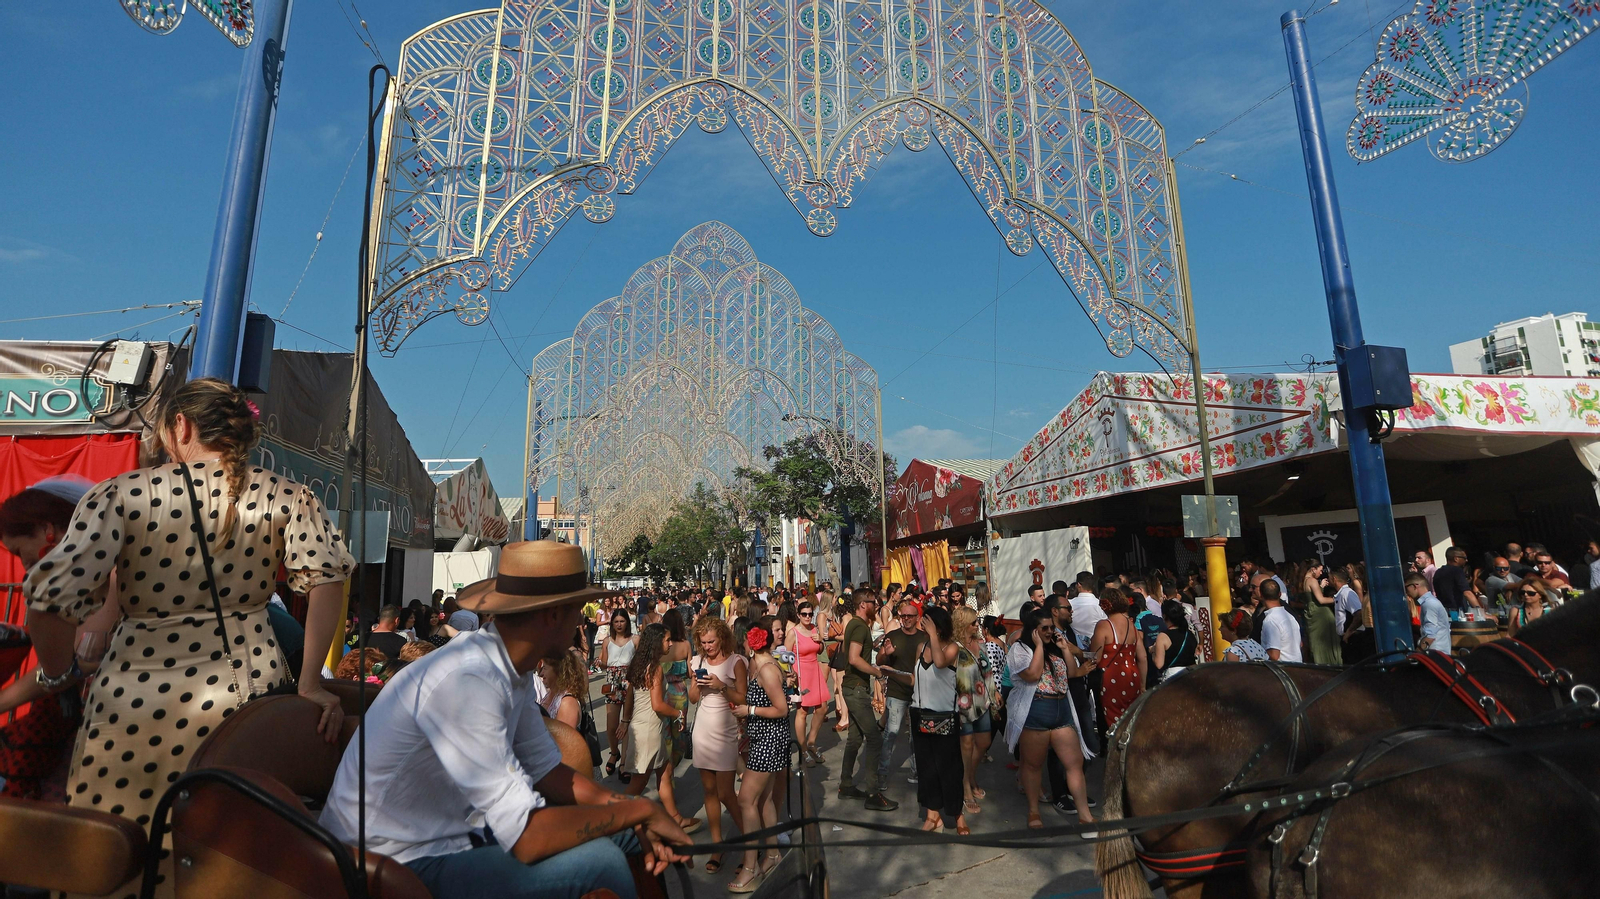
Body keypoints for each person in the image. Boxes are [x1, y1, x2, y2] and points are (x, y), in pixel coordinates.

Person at [22, 379, 353, 899]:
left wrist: (58, 669)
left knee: (113, 847)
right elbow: (328, 579)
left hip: (132, 701)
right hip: (244, 693)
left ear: (181, 426)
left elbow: (47, 595)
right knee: (227, 853)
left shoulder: (123, 495)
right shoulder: (286, 496)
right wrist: (310, 682)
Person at [320, 540, 689, 899]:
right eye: (578, 609)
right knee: (602, 861)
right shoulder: (469, 683)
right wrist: (639, 807)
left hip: (449, 839)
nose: (582, 621)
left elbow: (547, 772)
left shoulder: (509, 670)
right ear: (554, 613)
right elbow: (527, 839)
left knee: (627, 834)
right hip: (393, 860)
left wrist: (631, 813)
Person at [0, 476, 124, 802]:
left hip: (112, 734)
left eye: (20, 552)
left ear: (47, 530)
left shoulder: (113, 574)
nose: (26, 566)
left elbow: (81, 661)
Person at [1005, 609, 1095, 835]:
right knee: (1033, 765)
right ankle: (1034, 811)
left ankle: (1085, 817)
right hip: (1036, 710)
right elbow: (1032, 675)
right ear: (1033, 630)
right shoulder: (1020, 649)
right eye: (1043, 628)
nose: (1048, 632)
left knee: (1074, 764)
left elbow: (1071, 673)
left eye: (1051, 627)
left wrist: (1065, 649)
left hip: (1061, 709)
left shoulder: (1056, 647)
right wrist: (1039, 647)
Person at [728, 618, 790, 892]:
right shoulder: (764, 666)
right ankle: (773, 855)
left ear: (751, 644)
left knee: (746, 800)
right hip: (765, 738)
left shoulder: (765, 669)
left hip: (769, 740)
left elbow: (781, 709)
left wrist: (749, 712)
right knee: (763, 800)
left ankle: (751, 868)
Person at [619, 623, 694, 836]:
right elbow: (657, 704)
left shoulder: (639, 664)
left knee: (665, 772)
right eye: (666, 640)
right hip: (649, 729)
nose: (670, 644)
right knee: (639, 782)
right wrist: (678, 714)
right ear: (655, 643)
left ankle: (676, 818)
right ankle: (615, 818)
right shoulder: (655, 668)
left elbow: (631, 698)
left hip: (644, 726)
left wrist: (625, 722)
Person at [688, 616, 747, 875]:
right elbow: (691, 699)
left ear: (722, 637)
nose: (708, 646)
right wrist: (697, 684)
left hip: (725, 730)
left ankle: (753, 841)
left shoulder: (736, 662)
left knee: (726, 793)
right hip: (702, 729)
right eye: (703, 642)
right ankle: (717, 844)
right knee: (709, 792)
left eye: (711, 641)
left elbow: (742, 698)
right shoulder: (698, 661)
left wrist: (721, 686)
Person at [837, 590, 897, 811]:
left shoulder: (854, 624)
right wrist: (877, 673)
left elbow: (850, 653)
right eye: (873, 602)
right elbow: (852, 658)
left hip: (853, 687)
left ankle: (846, 785)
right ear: (863, 604)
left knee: (855, 738)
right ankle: (872, 793)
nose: (876, 605)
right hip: (857, 689)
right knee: (874, 739)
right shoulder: (859, 626)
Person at [874, 599, 926, 788]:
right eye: (903, 616)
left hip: (918, 692)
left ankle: (915, 771)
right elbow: (880, 660)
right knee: (892, 732)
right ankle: (882, 772)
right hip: (896, 691)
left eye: (910, 616)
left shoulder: (924, 637)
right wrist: (885, 653)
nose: (906, 619)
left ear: (916, 617)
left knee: (915, 735)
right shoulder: (893, 635)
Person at [951, 606, 992, 819]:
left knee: (984, 742)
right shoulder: (954, 648)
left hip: (982, 701)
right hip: (963, 704)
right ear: (963, 624)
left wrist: (994, 695)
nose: (978, 626)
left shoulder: (980, 644)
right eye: (974, 622)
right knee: (966, 746)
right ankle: (966, 786)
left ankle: (970, 775)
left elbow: (988, 672)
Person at [1090, 587, 1145, 729]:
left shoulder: (1104, 625)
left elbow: (1095, 657)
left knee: (1113, 721)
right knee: (1131, 720)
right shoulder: (1131, 626)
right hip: (1132, 676)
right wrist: (1143, 685)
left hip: (1111, 679)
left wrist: (1077, 652)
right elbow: (1142, 657)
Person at [786, 601, 830, 766]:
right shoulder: (793, 633)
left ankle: (811, 742)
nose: (807, 617)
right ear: (798, 615)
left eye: (810, 614)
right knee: (802, 712)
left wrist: (820, 641)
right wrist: (790, 676)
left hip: (814, 669)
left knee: (822, 708)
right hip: (800, 673)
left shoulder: (814, 629)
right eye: (804, 614)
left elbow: (820, 650)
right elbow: (785, 656)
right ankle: (803, 748)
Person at [599, 611, 637, 779]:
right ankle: (614, 753)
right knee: (611, 725)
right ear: (612, 623)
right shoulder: (607, 641)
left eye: (622, 621)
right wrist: (600, 664)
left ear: (627, 622)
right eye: (616, 621)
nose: (619, 624)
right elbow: (605, 664)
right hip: (613, 682)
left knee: (627, 723)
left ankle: (624, 763)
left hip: (629, 681)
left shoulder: (635, 639)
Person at [1294, 560, 1341, 666]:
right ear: (1313, 569)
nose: (1321, 573)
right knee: (1327, 643)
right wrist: (1338, 598)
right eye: (1320, 570)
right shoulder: (1312, 580)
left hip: (1312, 614)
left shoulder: (1303, 581)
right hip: (1321, 615)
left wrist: (1321, 587)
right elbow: (1321, 600)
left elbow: (1310, 598)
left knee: (1316, 644)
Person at [1149, 600, 1198, 682]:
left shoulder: (1163, 636)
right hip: (1191, 676)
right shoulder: (1189, 634)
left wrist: (1153, 651)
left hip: (1173, 679)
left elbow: (1159, 664)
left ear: (1164, 616)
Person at [537, 649, 586, 729]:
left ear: (558, 670)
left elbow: (565, 739)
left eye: (545, 668)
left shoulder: (567, 702)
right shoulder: (550, 694)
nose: (541, 673)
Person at [1259, 579, 1303, 662]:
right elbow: (1300, 644)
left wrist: (1257, 652)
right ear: (1279, 594)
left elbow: (1274, 655)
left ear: (1261, 595)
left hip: (1282, 671)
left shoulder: (1270, 620)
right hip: (1297, 667)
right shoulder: (1290, 616)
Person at [1406, 574, 1452, 653]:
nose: (1406, 593)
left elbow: (1430, 636)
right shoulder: (1429, 602)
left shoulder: (1429, 604)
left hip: (1436, 654)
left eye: (1406, 588)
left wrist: (1416, 654)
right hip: (1437, 653)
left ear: (1414, 586)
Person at [1432, 546, 1479, 613]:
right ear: (1456, 559)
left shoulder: (1438, 572)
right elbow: (1467, 593)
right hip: (1458, 612)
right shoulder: (1457, 571)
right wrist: (1480, 612)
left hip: (1443, 611)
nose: (1466, 560)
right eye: (1464, 558)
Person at [1066, 573, 1105, 649]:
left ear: (1079, 585)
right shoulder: (1100, 605)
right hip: (1096, 648)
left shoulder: (1069, 604)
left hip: (1073, 647)